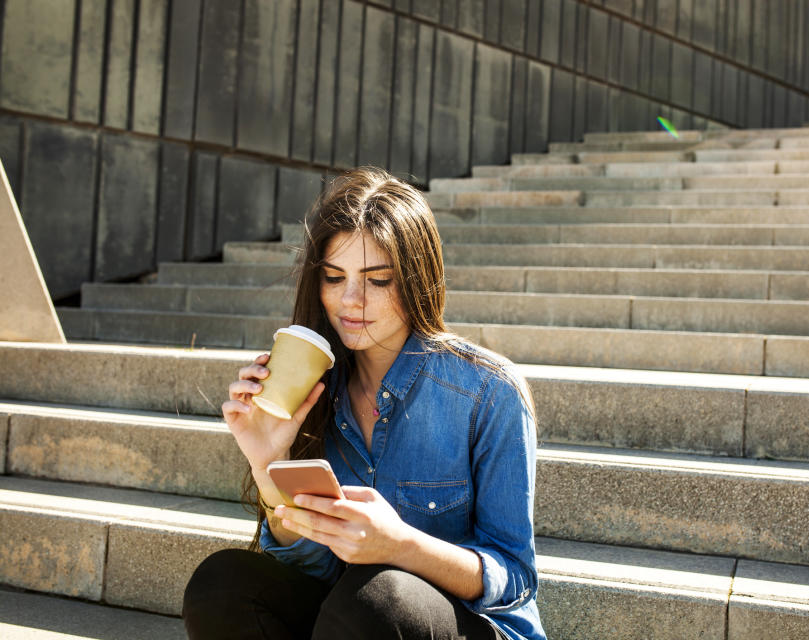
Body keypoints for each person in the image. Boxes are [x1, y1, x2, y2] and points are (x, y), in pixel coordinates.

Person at [182, 167, 546, 640]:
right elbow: (312, 567)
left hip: (464, 625)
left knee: (379, 598)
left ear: (416, 278)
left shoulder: (487, 391)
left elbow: (514, 579)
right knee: (222, 583)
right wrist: (268, 463)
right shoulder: (316, 387)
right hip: (350, 620)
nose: (350, 300)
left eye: (377, 280)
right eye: (334, 277)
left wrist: (401, 546)